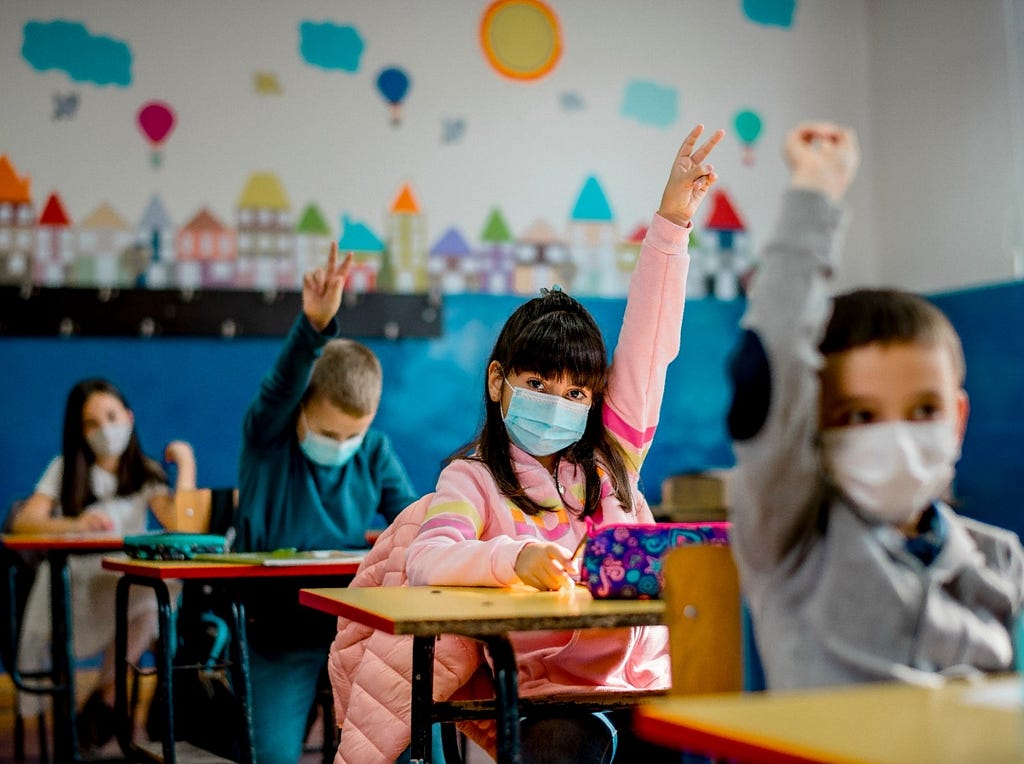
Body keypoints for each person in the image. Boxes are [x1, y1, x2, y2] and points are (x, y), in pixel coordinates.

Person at [329, 123, 725, 763]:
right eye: (538, 382)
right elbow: (431, 559)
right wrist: (511, 561)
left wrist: (673, 222)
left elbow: (651, 344)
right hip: (550, 699)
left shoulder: (610, 460)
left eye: (576, 393)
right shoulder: (473, 480)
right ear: (498, 382)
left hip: (641, 681)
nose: (558, 403)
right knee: (564, 744)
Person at [726, 121, 1024, 690]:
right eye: (860, 416)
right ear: (810, 425)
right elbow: (771, 365)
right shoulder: (791, 539)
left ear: (957, 420)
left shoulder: (999, 561)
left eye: (922, 411)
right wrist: (815, 193)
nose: (897, 436)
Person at [236, 245, 418, 764]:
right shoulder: (268, 440)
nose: (340, 445)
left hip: (355, 629)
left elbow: (409, 518)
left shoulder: (376, 451)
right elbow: (279, 387)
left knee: (394, 742)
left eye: (352, 435)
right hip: (276, 631)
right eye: (326, 430)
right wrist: (314, 327)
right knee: (271, 755)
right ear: (300, 410)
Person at [10, 377, 196, 753]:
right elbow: (24, 521)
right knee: (149, 597)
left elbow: (181, 522)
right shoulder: (63, 468)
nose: (105, 430)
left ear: (128, 417)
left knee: (161, 592)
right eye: (91, 424)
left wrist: (187, 462)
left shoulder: (145, 473)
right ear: (79, 431)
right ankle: (108, 702)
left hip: (122, 586)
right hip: (74, 589)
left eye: (111, 417)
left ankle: (105, 696)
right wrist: (73, 524)